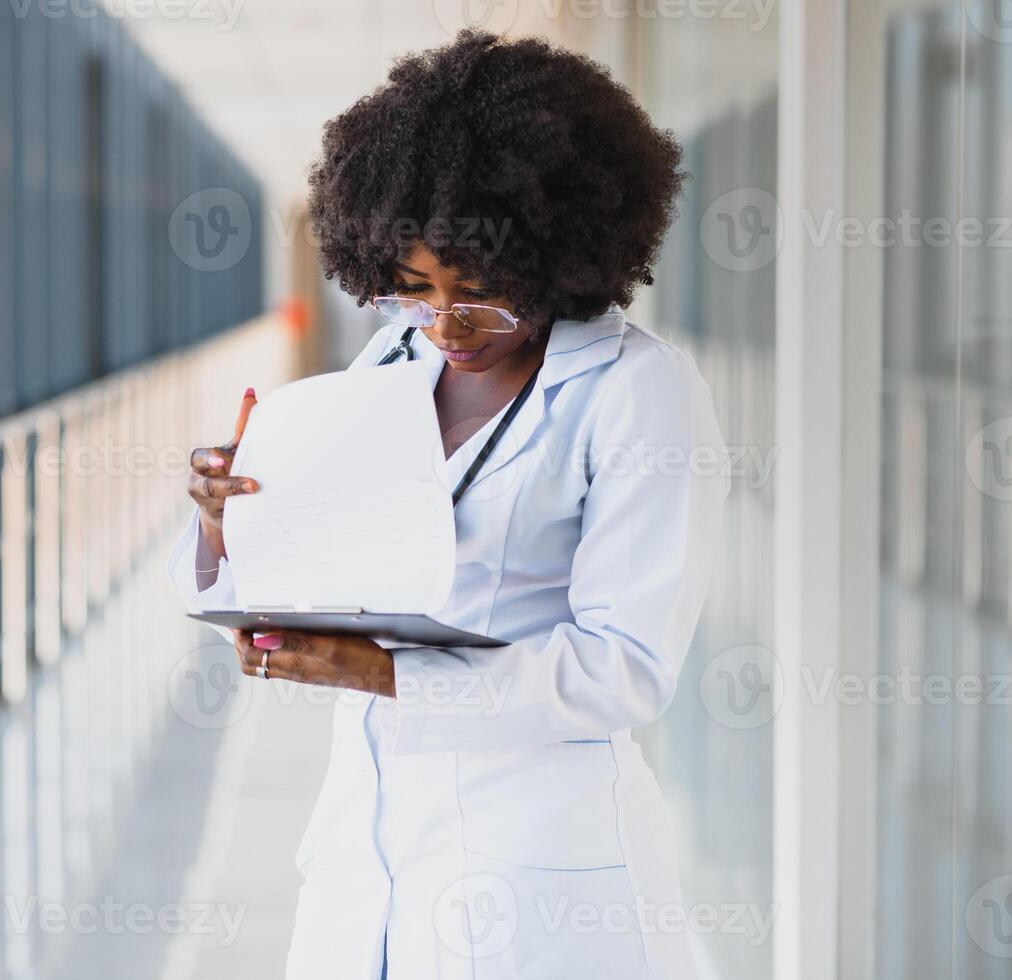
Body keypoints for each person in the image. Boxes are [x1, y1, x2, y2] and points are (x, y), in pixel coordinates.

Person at [166, 29, 728, 980]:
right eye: (415, 292)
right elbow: (337, 550)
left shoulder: (639, 391)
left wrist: (389, 676)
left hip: (540, 858)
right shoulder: (393, 359)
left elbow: (624, 668)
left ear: (563, 255)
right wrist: (231, 520)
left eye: (483, 294)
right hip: (369, 836)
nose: (450, 327)